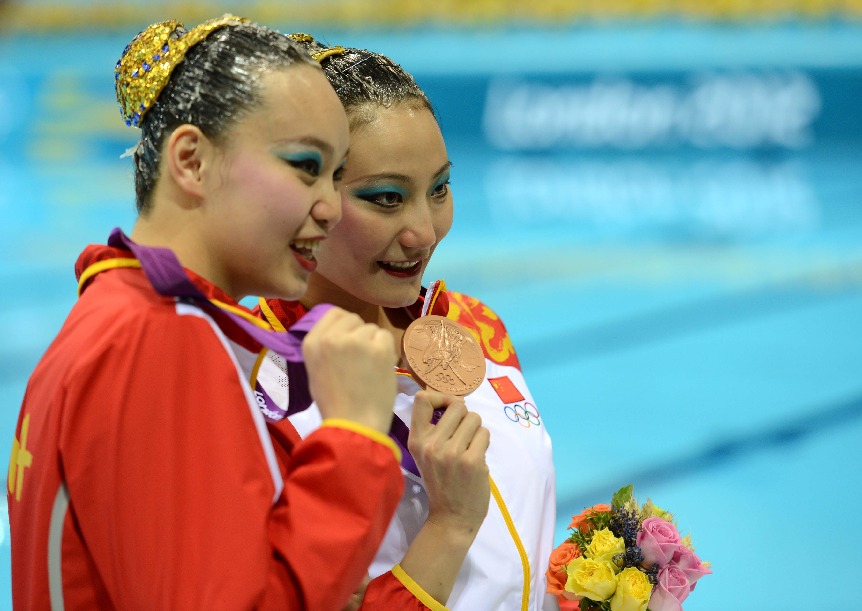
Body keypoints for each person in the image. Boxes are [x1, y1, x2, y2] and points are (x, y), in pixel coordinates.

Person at [7, 16, 406, 609]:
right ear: (192, 161)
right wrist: (353, 441)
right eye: (305, 166)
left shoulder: (115, 313)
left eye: (337, 175)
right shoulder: (156, 340)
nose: (330, 207)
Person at [255, 36, 558, 610]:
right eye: (387, 198)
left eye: (439, 189)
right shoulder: (260, 389)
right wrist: (449, 525)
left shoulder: (474, 325)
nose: (425, 231)